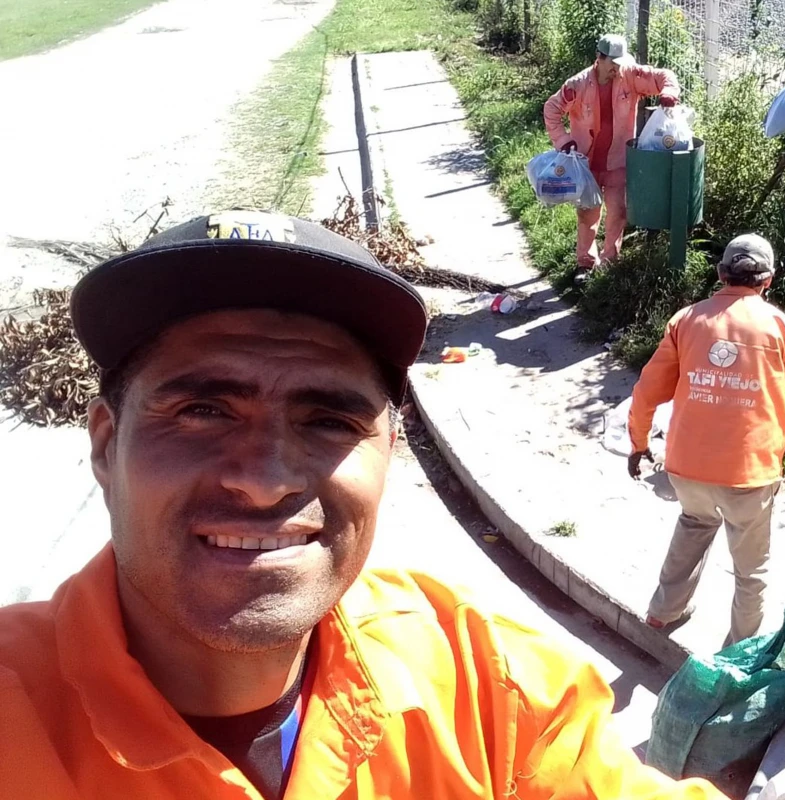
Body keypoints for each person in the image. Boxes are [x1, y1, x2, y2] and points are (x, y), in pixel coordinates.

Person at [0, 211, 725, 799]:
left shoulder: (492, 689)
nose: (264, 479)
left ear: (390, 453)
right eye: (202, 410)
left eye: (328, 421)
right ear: (104, 444)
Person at [626, 234, 785, 647]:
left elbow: (647, 391)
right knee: (750, 570)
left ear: (721, 274)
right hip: (749, 474)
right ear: (768, 280)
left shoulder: (687, 320)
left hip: (687, 467)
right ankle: (737, 648)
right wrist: (776, 433)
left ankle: (663, 613)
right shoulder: (781, 328)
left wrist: (639, 444)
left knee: (694, 523)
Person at [544, 34, 681, 279]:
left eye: (620, 63)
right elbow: (552, 109)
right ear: (599, 58)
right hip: (586, 163)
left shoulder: (629, 75)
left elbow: (663, 76)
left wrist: (669, 91)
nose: (616, 69)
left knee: (618, 210)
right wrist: (563, 141)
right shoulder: (577, 84)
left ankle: (609, 262)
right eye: (612, 64)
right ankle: (585, 263)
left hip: (618, 160)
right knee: (588, 211)